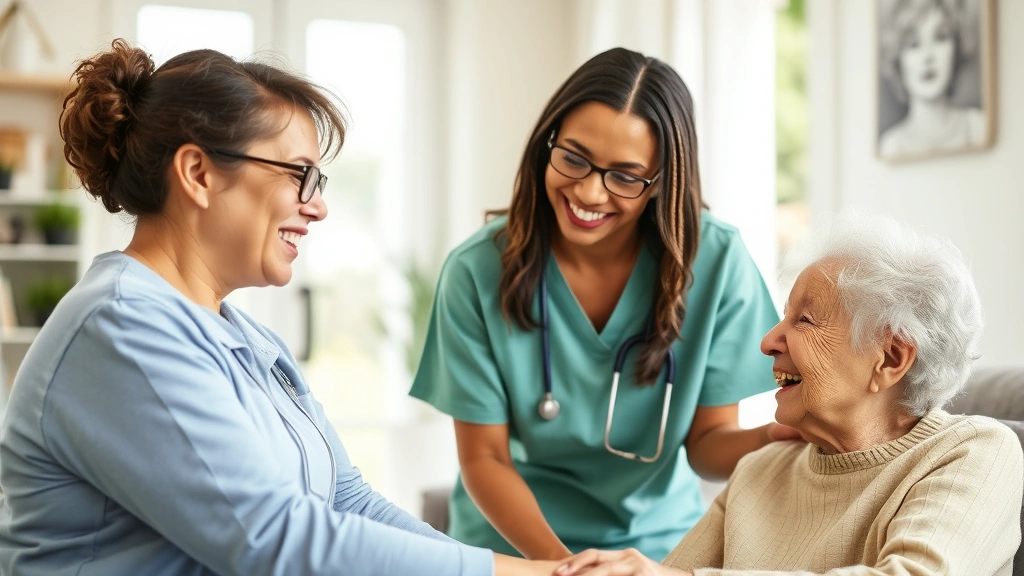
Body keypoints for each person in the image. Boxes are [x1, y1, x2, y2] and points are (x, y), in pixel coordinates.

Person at [0, 39, 563, 576]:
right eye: (299, 176)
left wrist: (538, 570)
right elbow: (272, 539)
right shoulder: (122, 325)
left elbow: (347, 499)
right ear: (198, 174)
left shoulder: (246, 339)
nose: (317, 207)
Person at [409, 47, 798, 562]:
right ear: (547, 144)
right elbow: (484, 459)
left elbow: (707, 443)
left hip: (657, 551)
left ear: (661, 182)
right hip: (514, 550)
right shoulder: (476, 270)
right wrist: (566, 569)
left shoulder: (717, 262)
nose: (589, 192)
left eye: (625, 176)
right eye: (573, 158)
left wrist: (771, 437)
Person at [553, 211, 1024, 575]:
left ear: (890, 358)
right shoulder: (761, 469)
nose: (768, 341)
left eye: (805, 320)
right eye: (784, 316)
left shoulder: (974, 454)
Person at [878, 0, 987, 159]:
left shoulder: (979, 127)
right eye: (913, 44)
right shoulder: (890, 147)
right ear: (897, 60)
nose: (928, 56)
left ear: (956, 47)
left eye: (940, 37)